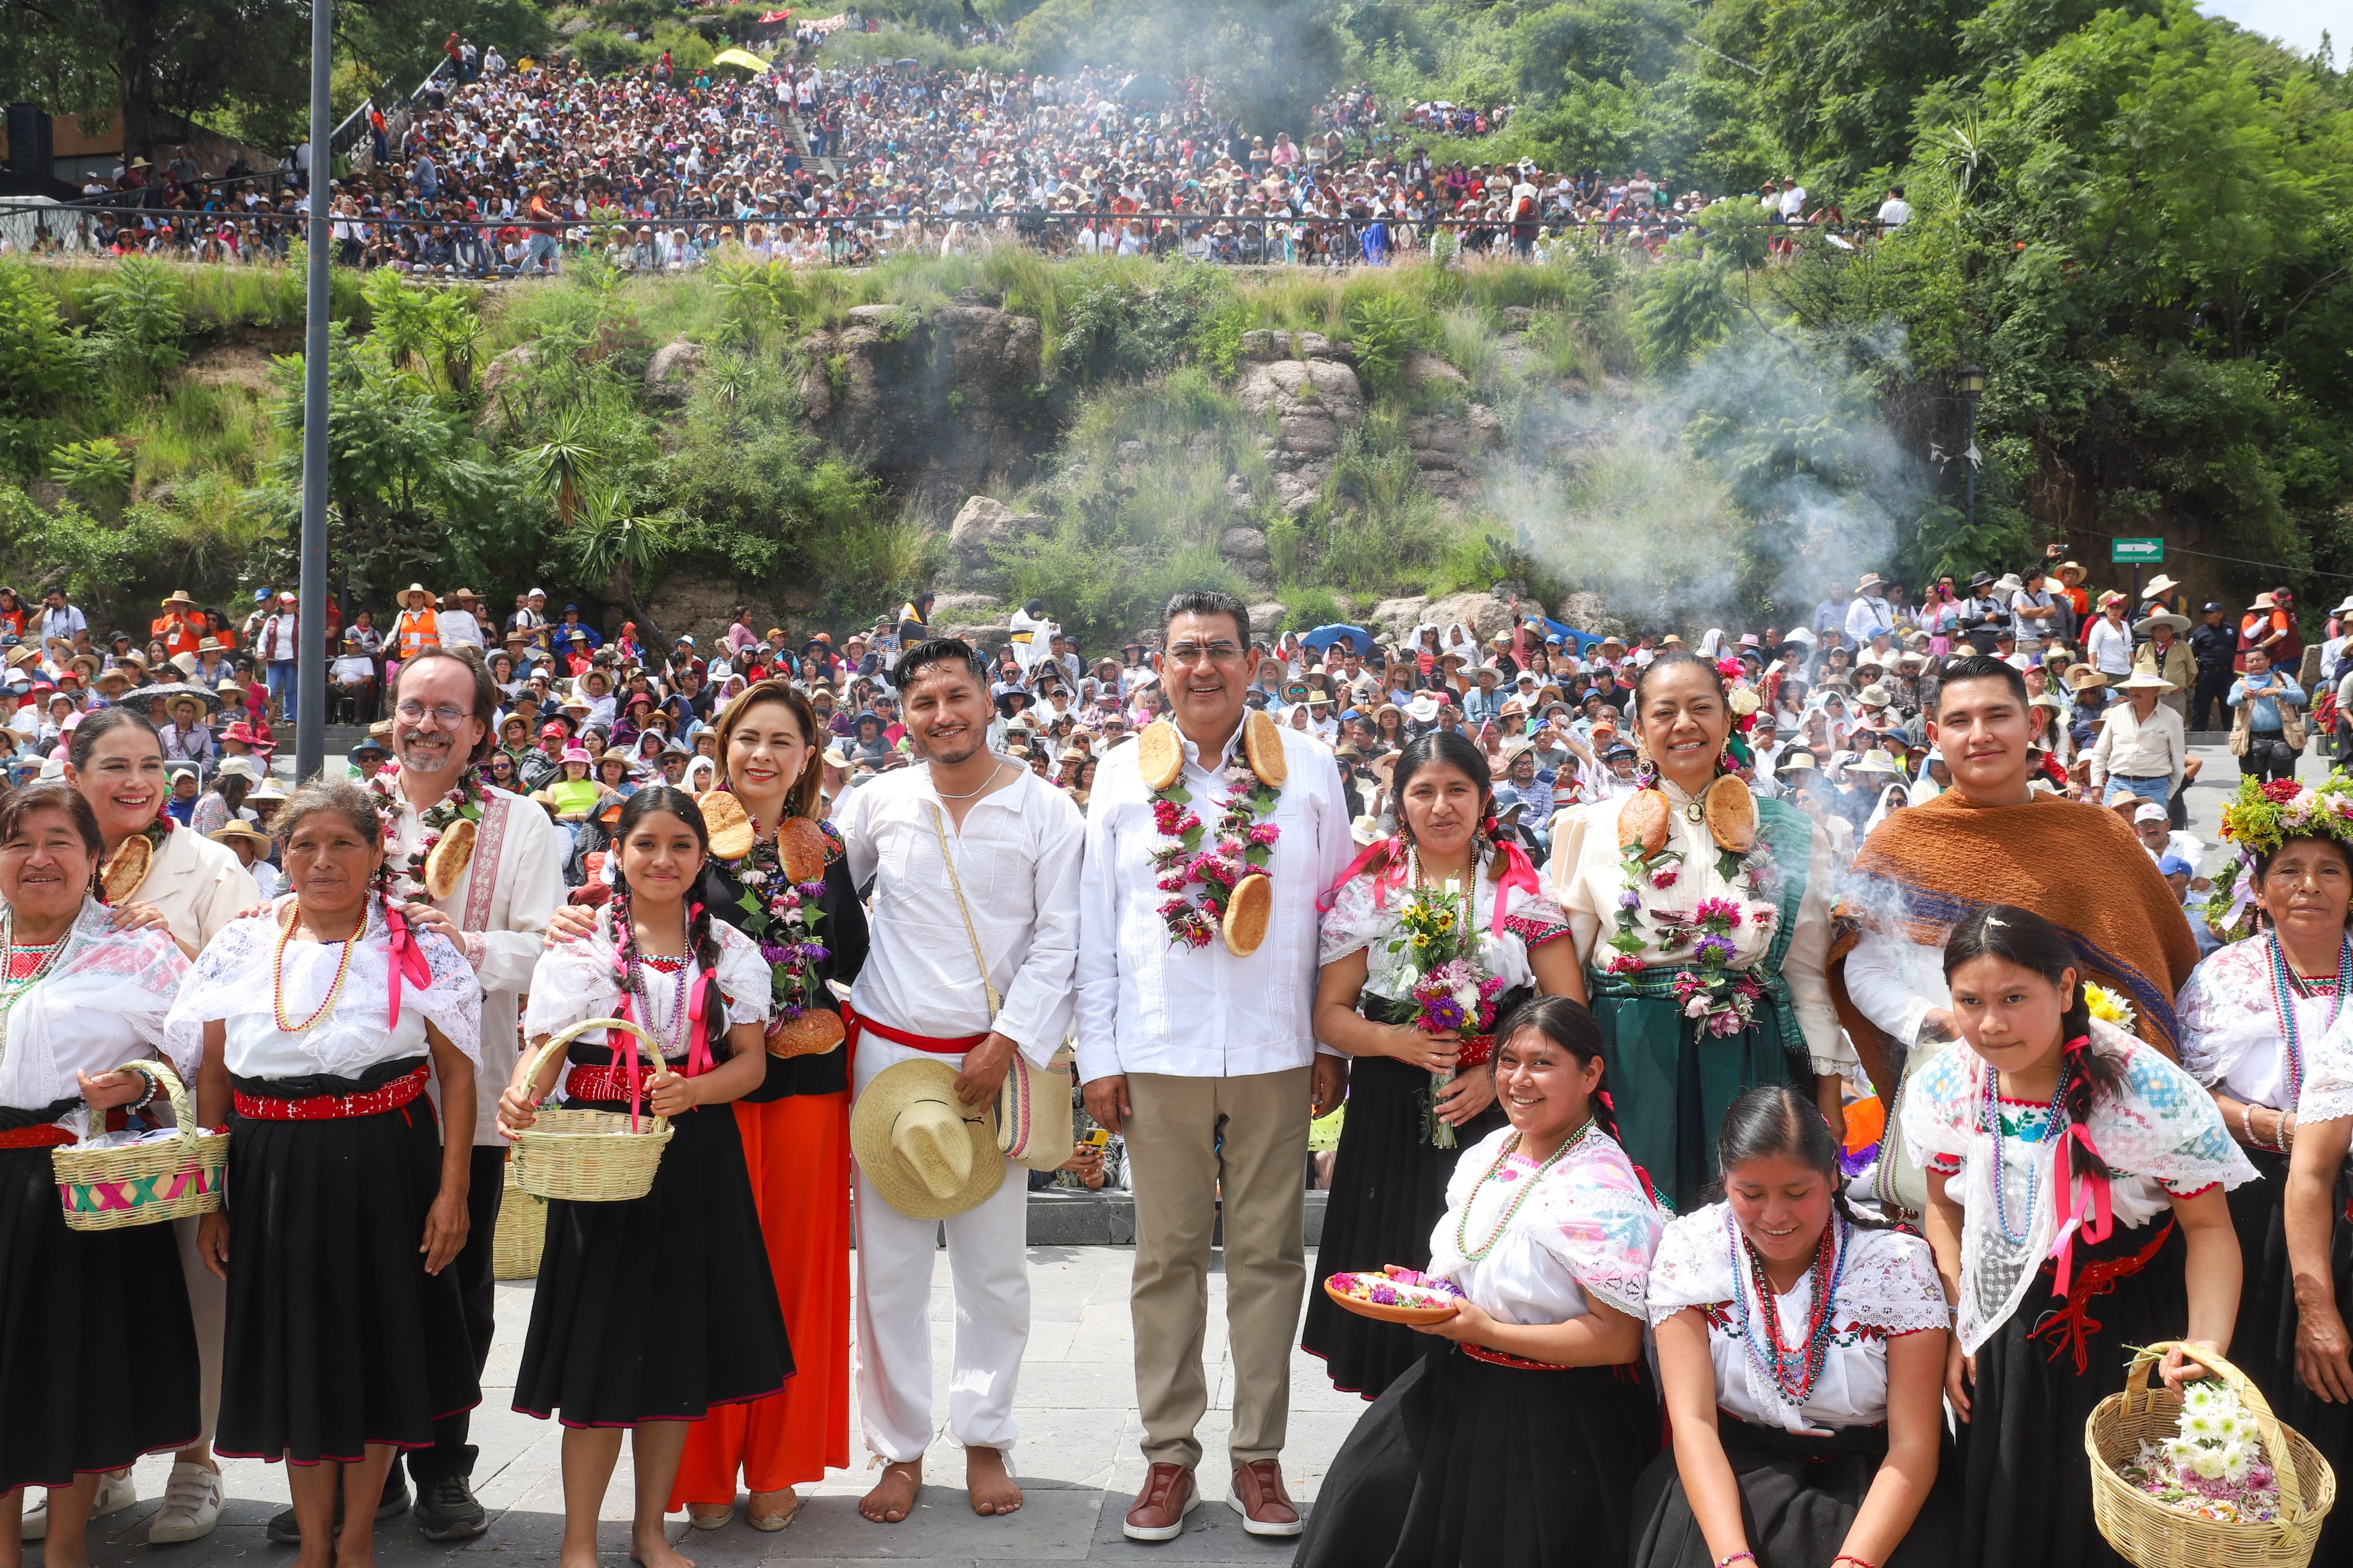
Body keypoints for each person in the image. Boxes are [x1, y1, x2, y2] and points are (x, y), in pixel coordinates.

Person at [1077, 589, 1352, 1541]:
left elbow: (1337, 915)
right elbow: (1095, 928)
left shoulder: (1309, 766)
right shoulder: (1120, 774)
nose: (1204, 666)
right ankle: (1167, 1457)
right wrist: (1098, 1057)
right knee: (1166, 1259)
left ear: (1253, 661)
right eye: (1185, 650)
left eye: (1221, 650)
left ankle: (1260, 1458)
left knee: (1274, 1256)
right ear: (1159, 665)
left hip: (1277, 1045)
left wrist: (1329, 1038)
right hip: (1159, 1048)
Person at [170, 780, 482, 1568]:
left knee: (379, 1349)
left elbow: (458, 1075)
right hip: (271, 1168)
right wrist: (212, 1199)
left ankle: (355, 1541)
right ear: (282, 851)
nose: (322, 860)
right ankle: (313, 1543)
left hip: (389, 1163)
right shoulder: (243, 945)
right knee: (300, 1351)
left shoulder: (418, 944)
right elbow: (213, 1077)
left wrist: (453, 1193)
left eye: (344, 843)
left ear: (379, 854)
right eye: (304, 843)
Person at [1903, 905, 2251, 1568]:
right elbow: (1943, 1212)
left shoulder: (2147, 1093)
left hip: (2131, 1335)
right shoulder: (1948, 1085)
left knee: (2119, 1521)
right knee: (2014, 1509)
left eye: (2013, 997)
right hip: (2003, 1332)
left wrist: (2204, 1345)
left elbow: (2207, 1230)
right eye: (1968, 1001)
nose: (1990, 1023)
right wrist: (1960, 1325)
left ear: (2065, 989)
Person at [502, 787, 788, 1568]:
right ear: (617, 852)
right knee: (600, 1350)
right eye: (647, 844)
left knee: (675, 1352)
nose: (663, 861)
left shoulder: (730, 949)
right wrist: (523, 1088)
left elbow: (752, 1065)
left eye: (681, 847)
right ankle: (578, 1541)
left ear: (703, 858)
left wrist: (694, 1090)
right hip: (602, 1158)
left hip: (695, 1156)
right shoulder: (580, 944)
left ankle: (651, 1532)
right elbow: (550, 1045)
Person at [831, 638, 1083, 1524]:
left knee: (994, 1267)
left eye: (957, 695)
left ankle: (985, 1435)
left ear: (988, 698)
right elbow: (825, 902)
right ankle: (898, 1450)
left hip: (993, 1065)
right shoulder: (876, 801)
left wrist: (1008, 1040)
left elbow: (1062, 937)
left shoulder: (1047, 809)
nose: (943, 714)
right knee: (891, 1270)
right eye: (923, 701)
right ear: (903, 715)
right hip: (889, 1057)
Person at [322, 646, 564, 1541]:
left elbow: (545, 946)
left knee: (455, 1286)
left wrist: (461, 942)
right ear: (391, 715)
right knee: (351, 1284)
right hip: (345, 1096)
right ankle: (363, 1476)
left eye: (447, 711)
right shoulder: (348, 813)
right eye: (412, 706)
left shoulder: (520, 822)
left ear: (480, 729)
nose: (426, 724)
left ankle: (445, 1468)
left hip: (468, 1092)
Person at [1292, 997, 1664, 1568]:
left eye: (1542, 1063)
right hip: (1456, 1379)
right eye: (1507, 1060)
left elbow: (1614, 1339)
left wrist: (1484, 1327)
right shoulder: (1492, 1151)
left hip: (1554, 1419)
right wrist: (1429, 1293)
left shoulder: (1599, 1189)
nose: (1518, 1080)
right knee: (1365, 1502)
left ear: (1590, 1073)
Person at [1302, 731, 1583, 1399]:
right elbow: (1330, 1014)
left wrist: (1495, 1072)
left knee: (1485, 1269)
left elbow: (1566, 1001)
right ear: (1399, 803)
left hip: (1500, 1109)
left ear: (1485, 798)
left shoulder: (1515, 885)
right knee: (1397, 1270)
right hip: (1391, 1111)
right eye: (1421, 791)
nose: (1440, 806)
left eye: (1457, 790)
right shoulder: (1370, 889)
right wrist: (1392, 1042)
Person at [49, 707, 256, 1545]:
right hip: (66, 1127)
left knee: (195, 1285)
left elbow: (242, 987)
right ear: (76, 773)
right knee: (91, 1298)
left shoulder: (207, 865)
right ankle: (99, 1464)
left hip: (181, 1113)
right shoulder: (50, 852)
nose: (136, 780)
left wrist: (168, 945)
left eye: (150, 763)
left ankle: (196, 1462)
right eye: (114, 765)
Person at [665, 680, 868, 1532]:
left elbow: (851, 950)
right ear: (722, 743)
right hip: (709, 1087)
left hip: (806, 1093)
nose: (762, 755)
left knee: (795, 1277)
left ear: (806, 759)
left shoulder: (825, 845)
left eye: (783, 742)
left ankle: (778, 1461)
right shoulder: (683, 837)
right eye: (749, 737)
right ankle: (704, 1468)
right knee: (704, 1270)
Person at [1831, 656, 2200, 1124]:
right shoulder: (1900, 840)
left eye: (1998, 716)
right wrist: (1944, 1024)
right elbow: (1866, 970)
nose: (1979, 734)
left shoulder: (2097, 833)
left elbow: (2143, 965)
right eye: (1959, 721)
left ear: (2034, 723)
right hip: (1952, 1088)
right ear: (1933, 735)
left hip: (2094, 1093)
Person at [1549, 650, 1852, 1211]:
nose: (1683, 724)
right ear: (1638, 729)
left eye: (1700, 708)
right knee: (1634, 1225)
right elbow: (1566, 975)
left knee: (1746, 1222)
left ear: (1728, 720)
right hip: (1630, 1061)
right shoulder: (1586, 830)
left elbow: (1807, 975)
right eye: (1664, 712)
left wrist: (1828, 1096)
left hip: (1747, 1056)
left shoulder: (1787, 831)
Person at [0, 783, 197, 1568]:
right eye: (19, 842)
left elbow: (198, 1056)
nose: (38, 858)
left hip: (75, 1185)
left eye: (59, 841)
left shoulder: (137, 948)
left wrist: (142, 1083)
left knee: (72, 1373)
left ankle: (68, 1550)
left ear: (95, 859)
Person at [1634, 1083, 1953, 1568]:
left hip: (1877, 1477)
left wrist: (1855, 1564)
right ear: (1725, 1180)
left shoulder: (1895, 1264)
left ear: (1832, 1175)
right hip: (1730, 1470)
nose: (1775, 1215)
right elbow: (1694, 1422)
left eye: (1797, 1192)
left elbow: (1914, 1445)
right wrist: (1733, 1558)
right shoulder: (1692, 1250)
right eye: (1751, 1193)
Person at [2177, 772, 2353, 1559]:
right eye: (2289, 870)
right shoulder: (2225, 976)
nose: (2309, 887)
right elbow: (2186, 1095)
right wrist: (2278, 1127)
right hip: (2254, 1202)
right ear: (2258, 884)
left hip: (2343, 1201)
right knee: (2266, 1383)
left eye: (2330, 869)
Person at [2085, 669, 2185, 809]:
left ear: (2156, 690)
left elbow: (2179, 763)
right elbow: (2101, 752)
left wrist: (2168, 795)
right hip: (2117, 785)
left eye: (2141, 687)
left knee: (2151, 830)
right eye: (2133, 687)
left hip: (2155, 788)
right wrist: (2096, 784)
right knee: (2113, 829)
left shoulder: (2172, 718)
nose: (2134, 691)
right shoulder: (2117, 713)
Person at [2230, 644, 2305, 785]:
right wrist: (2243, 695)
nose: (2255, 664)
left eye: (2259, 660)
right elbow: (2231, 701)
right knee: (2253, 790)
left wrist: (2278, 692)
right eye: (2250, 661)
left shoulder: (2283, 678)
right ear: (2245, 664)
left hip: (2282, 738)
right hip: (2251, 740)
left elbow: (2302, 698)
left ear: (2269, 661)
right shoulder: (2240, 684)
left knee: (2284, 788)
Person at [2190, 602, 2236, 731]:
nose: (2207, 615)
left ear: (2220, 614)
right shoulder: (2199, 632)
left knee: (2229, 707)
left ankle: (2232, 737)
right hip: (2206, 675)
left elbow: (2241, 650)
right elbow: (2189, 655)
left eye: (2211, 612)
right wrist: (2192, 676)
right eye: (2205, 613)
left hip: (2227, 675)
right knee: (2201, 708)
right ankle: (2198, 739)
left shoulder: (2231, 630)